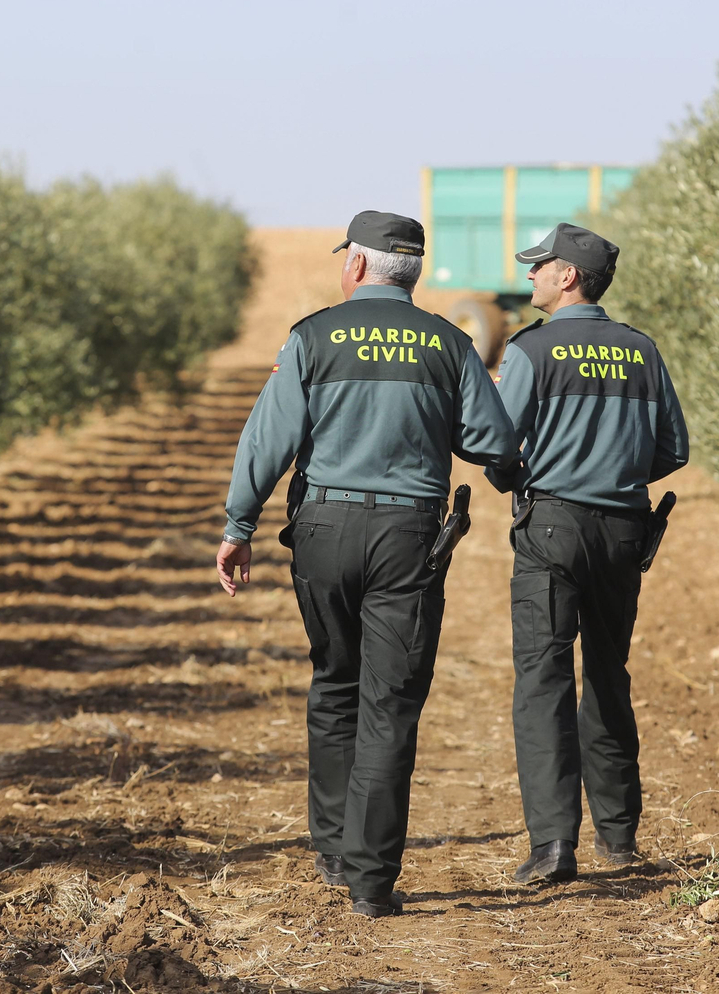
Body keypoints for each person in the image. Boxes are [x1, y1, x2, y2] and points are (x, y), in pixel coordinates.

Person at [216, 211, 518, 917]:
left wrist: (239, 525)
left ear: (355, 266)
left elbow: (268, 437)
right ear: (410, 273)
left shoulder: (312, 337)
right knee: (391, 706)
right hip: (408, 536)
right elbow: (490, 440)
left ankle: (329, 850)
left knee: (333, 684)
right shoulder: (448, 342)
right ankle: (371, 882)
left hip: (322, 528)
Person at [486, 222, 688, 885]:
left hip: (553, 530)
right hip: (625, 532)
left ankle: (552, 847)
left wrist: (517, 477)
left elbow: (497, 444)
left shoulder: (532, 351)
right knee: (609, 674)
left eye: (539, 266)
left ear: (567, 275)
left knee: (543, 681)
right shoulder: (641, 351)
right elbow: (673, 451)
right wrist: (615, 469)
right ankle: (620, 837)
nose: (530, 276)